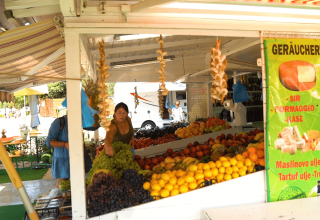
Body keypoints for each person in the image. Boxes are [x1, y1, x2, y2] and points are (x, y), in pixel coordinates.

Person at [46, 89, 98, 188]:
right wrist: (64, 144)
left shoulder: (81, 121)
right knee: (62, 186)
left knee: (79, 185)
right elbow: (49, 142)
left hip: (78, 158)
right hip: (63, 160)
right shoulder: (59, 122)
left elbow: (94, 127)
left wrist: (97, 114)